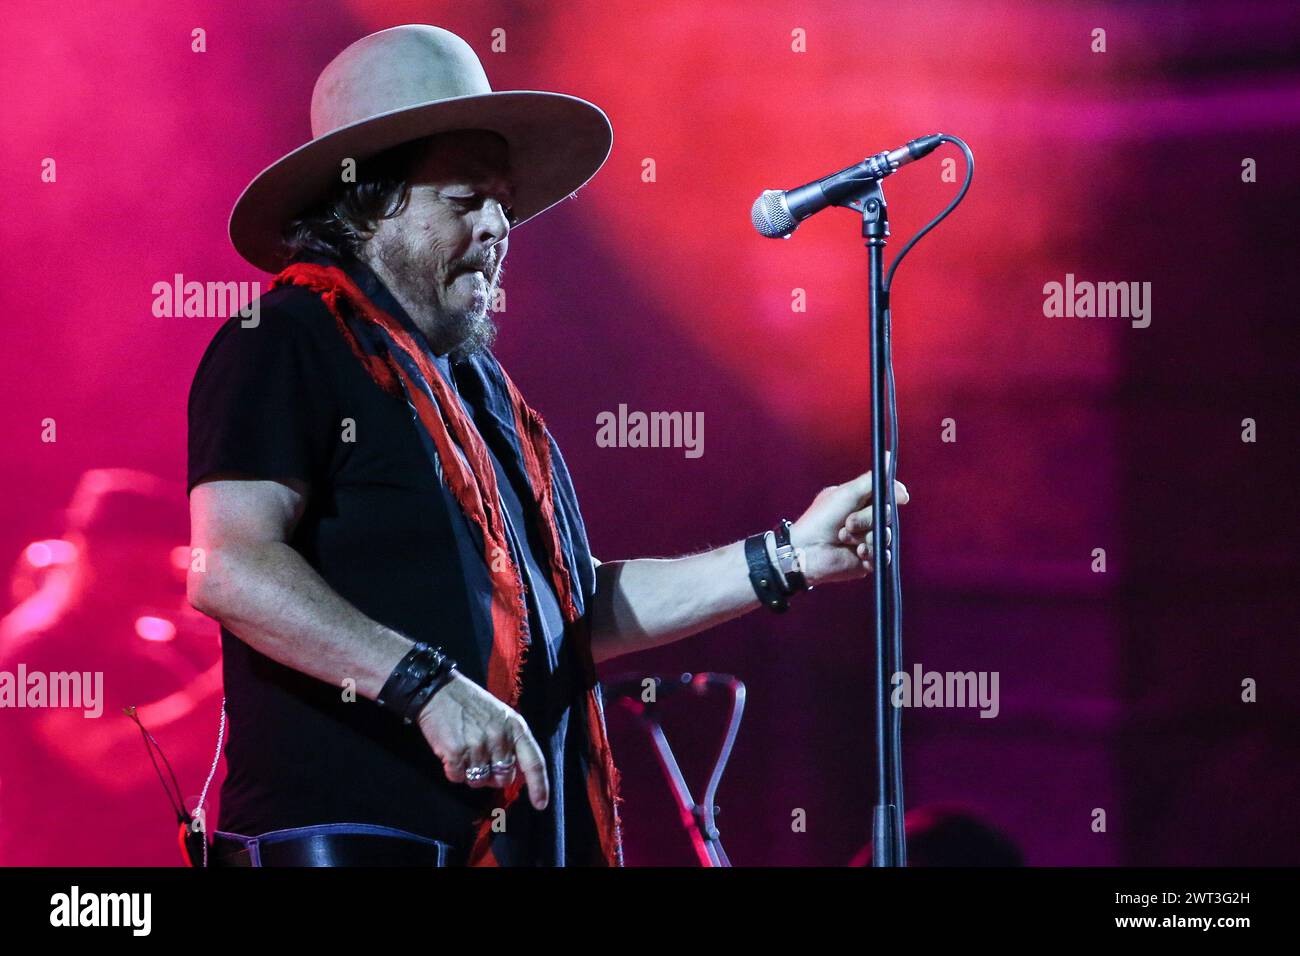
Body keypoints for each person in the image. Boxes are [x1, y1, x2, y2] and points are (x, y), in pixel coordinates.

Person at [188, 23, 908, 867]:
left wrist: (784, 557)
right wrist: (424, 686)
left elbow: (563, 623)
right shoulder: (287, 338)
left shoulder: (482, 394)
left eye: (504, 200)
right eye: (465, 200)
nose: (499, 225)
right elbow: (227, 568)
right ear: (371, 204)